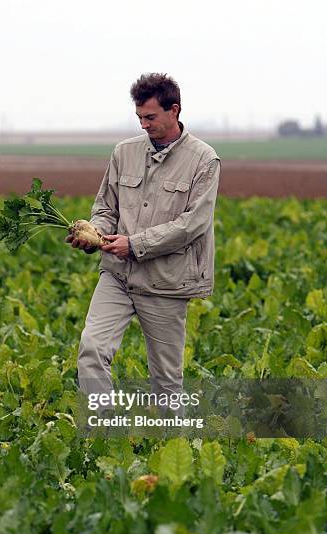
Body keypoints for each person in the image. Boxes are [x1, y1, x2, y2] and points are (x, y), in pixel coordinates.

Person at [66, 72, 220, 405]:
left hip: (166, 281)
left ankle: (170, 447)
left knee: (166, 382)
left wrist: (135, 244)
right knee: (91, 350)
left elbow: (193, 223)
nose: (143, 125)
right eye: (139, 117)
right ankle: (103, 435)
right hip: (118, 275)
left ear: (174, 110)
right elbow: (106, 206)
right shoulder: (124, 152)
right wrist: (93, 234)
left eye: (150, 117)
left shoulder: (204, 160)